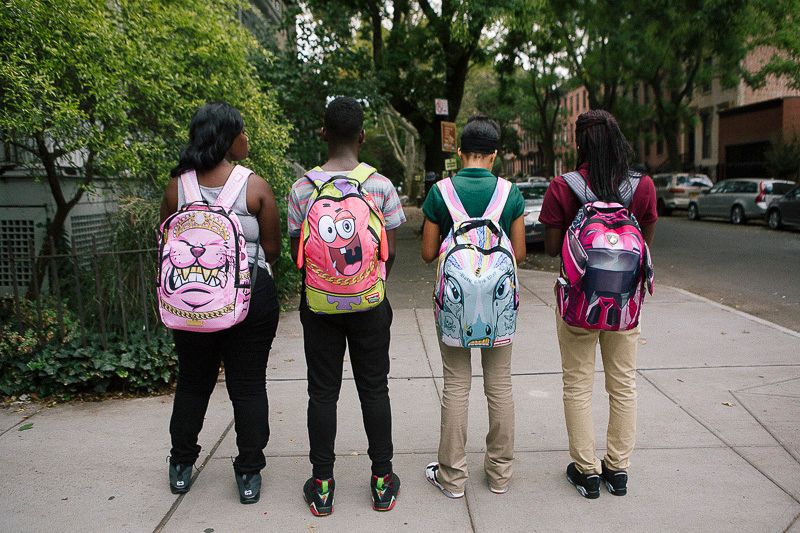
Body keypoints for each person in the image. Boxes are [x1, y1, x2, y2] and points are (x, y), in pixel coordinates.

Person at [288, 96, 406, 515]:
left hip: (319, 306)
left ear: (323, 133)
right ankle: (381, 481)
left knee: (322, 392)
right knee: (374, 388)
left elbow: (295, 252)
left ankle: (322, 485)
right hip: (371, 305)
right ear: (362, 135)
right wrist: (365, 285)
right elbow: (390, 251)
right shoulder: (381, 185)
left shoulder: (303, 188)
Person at [160, 102, 281, 504]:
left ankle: (180, 465)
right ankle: (248, 473)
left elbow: (164, 242)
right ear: (228, 138)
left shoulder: (178, 187)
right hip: (249, 297)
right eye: (242, 131)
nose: (247, 138)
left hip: (190, 301)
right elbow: (272, 249)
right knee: (248, 386)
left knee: (193, 382)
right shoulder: (254, 186)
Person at [539, 109, 657, 499]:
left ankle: (587, 472)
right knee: (623, 385)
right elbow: (645, 244)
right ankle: (618, 470)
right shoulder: (642, 187)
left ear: (579, 144)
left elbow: (554, 248)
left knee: (577, 384)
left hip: (578, 303)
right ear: (619, 140)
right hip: (624, 307)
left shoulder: (563, 186)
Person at [420, 114, 526, 498]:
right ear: (494, 155)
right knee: (499, 386)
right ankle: (499, 475)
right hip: (498, 309)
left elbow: (429, 253)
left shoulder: (440, 192)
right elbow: (521, 254)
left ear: (460, 152)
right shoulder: (510, 193)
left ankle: (452, 478)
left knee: (456, 385)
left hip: (455, 306)